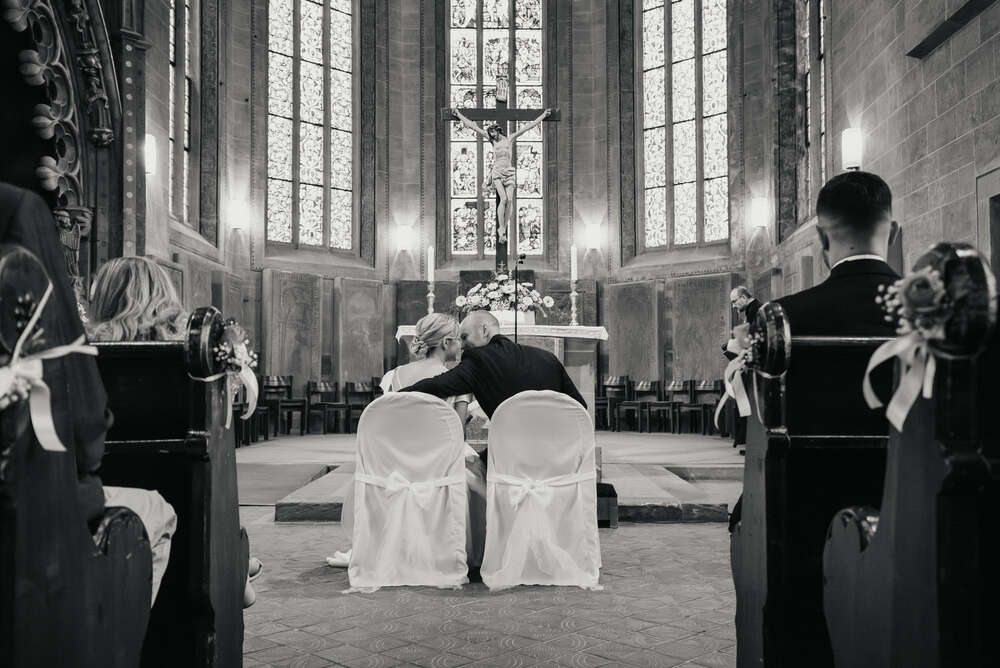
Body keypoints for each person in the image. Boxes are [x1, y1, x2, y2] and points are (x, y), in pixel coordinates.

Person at [728, 170, 900, 533]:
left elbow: (766, 428)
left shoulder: (783, 318)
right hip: (914, 506)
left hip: (806, 512)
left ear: (821, 236)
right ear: (893, 232)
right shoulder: (938, 317)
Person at [88, 256, 262, 606]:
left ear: (102, 297)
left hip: (104, 484)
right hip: (182, 487)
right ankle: (232, 564)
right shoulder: (194, 355)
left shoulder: (81, 352)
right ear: (165, 294)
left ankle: (238, 565)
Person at [326, 313, 487, 570]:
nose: (461, 345)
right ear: (446, 343)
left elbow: (386, 424)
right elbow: (456, 435)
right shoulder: (457, 379)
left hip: (397, 461)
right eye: (458, 339)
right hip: (438, 464)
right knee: (480, 476)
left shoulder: (394, 376)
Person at [399, 310, 587, 424]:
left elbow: (438, 385)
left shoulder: (478, 359)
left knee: (473, 468)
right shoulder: (548, 358)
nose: (462, 345)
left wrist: (395, 396)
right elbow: (579, 407)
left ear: (484, 330)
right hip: (559, 456)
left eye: (464, 337)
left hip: (509, 458)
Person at [452, 89, 550, 245]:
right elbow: (473, 126)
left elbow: (528, 126)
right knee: (503, 199)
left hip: (509, 172)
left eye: (493, 132)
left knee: (509, 200)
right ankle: (501, 229)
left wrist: (544, 115)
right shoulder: (492, 141)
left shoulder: (509, 139)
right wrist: (458, 114)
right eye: (490, 133)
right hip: (497, 172)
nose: (491, 135)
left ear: (497, 130)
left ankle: (503, 227)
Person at [723, 286, 762, 446]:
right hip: (750, 364)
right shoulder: (753, 310)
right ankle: (742, 437)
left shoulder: (755, 311)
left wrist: (734, 345)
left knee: (745, 400)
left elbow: (751, 340)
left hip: (754, 367)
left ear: (744, 298)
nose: (733, 306)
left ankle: (745, 438)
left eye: (734, 302)